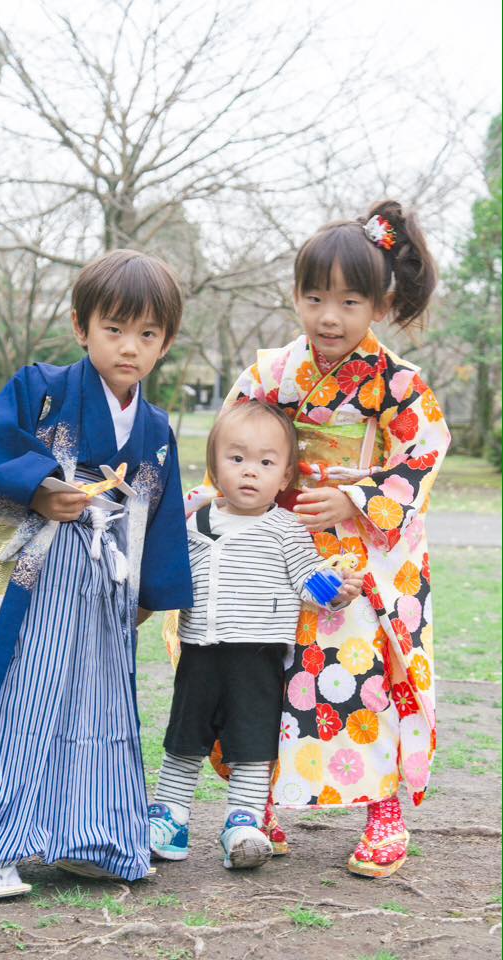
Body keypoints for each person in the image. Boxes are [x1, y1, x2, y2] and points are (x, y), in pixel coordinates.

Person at [0, 249, 193, 897]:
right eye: (114, 329)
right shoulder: (39, 391)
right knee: (19, 703)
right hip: (31, 584)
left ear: (166, 342)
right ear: (80, 326)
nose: (130, 347)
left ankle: (89, 838)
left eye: (147, 334)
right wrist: (40, 488)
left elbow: (166, 514)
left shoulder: (152, 428)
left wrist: (152, 592)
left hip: (106, 589)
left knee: (100, 707)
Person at [186, 200, 451, 878]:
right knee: (266, 669)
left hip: (362, 554)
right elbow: (231, 438)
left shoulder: (397, 384)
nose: (328, 317)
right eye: (313, 297)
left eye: (348, 301)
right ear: (296, 296)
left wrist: (356, 495)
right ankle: (259, 800)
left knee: (363, 675)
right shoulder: (273, 372)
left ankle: (382, 808)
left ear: (380, 305)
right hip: (280, 542)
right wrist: (251, 492)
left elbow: (422, 453)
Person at [149, 400, 364, 869]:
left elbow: (309, 580)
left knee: (251, 744)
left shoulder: (285, 527)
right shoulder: (195, 522)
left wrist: (338, 591)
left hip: (258, 655)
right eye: (237, 458)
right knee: (185, 737)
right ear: (214, 466)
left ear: (285, 477)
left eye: (266, 463)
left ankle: (243, 825)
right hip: (200, 652)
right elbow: (171, 576)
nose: (250, 472)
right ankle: (168, 818)